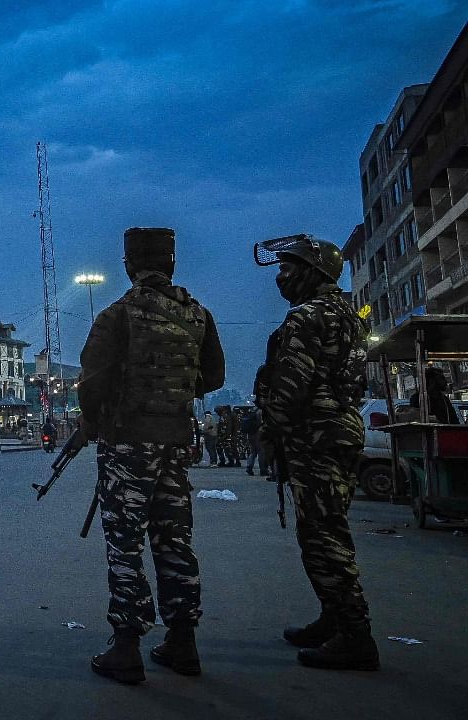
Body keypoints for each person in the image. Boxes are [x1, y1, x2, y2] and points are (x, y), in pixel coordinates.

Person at [77, 227, 225, 684]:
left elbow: (91, 382)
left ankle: (127, 644)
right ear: (172, 264)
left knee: (125, 543)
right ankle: (183, 641)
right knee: (174, 541)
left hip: (128, 443)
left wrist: (98, 419)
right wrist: (173, 394)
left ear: (127, 265)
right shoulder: (198, 315)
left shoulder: (117, 315)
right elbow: (213, 376)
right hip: (176, 442)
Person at [253, 233, 379, 671]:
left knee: (324, 537)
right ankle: (335, 619)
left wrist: (271, 430)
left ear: (313, 272)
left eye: (288, 269)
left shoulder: (307, 318)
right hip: (340, 431)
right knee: (323, 531)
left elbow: (290, 387)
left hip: (316, 438)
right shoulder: (348, 315)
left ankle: (355, 634)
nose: (281, 279)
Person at [242, 408, 267, 476]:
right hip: (258, 433)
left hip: (250, 434)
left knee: (252, 452)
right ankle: (263, 469)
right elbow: (261, 423)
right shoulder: (261, 411)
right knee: (261, 452)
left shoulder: (252, 411)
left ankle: (249, 467)